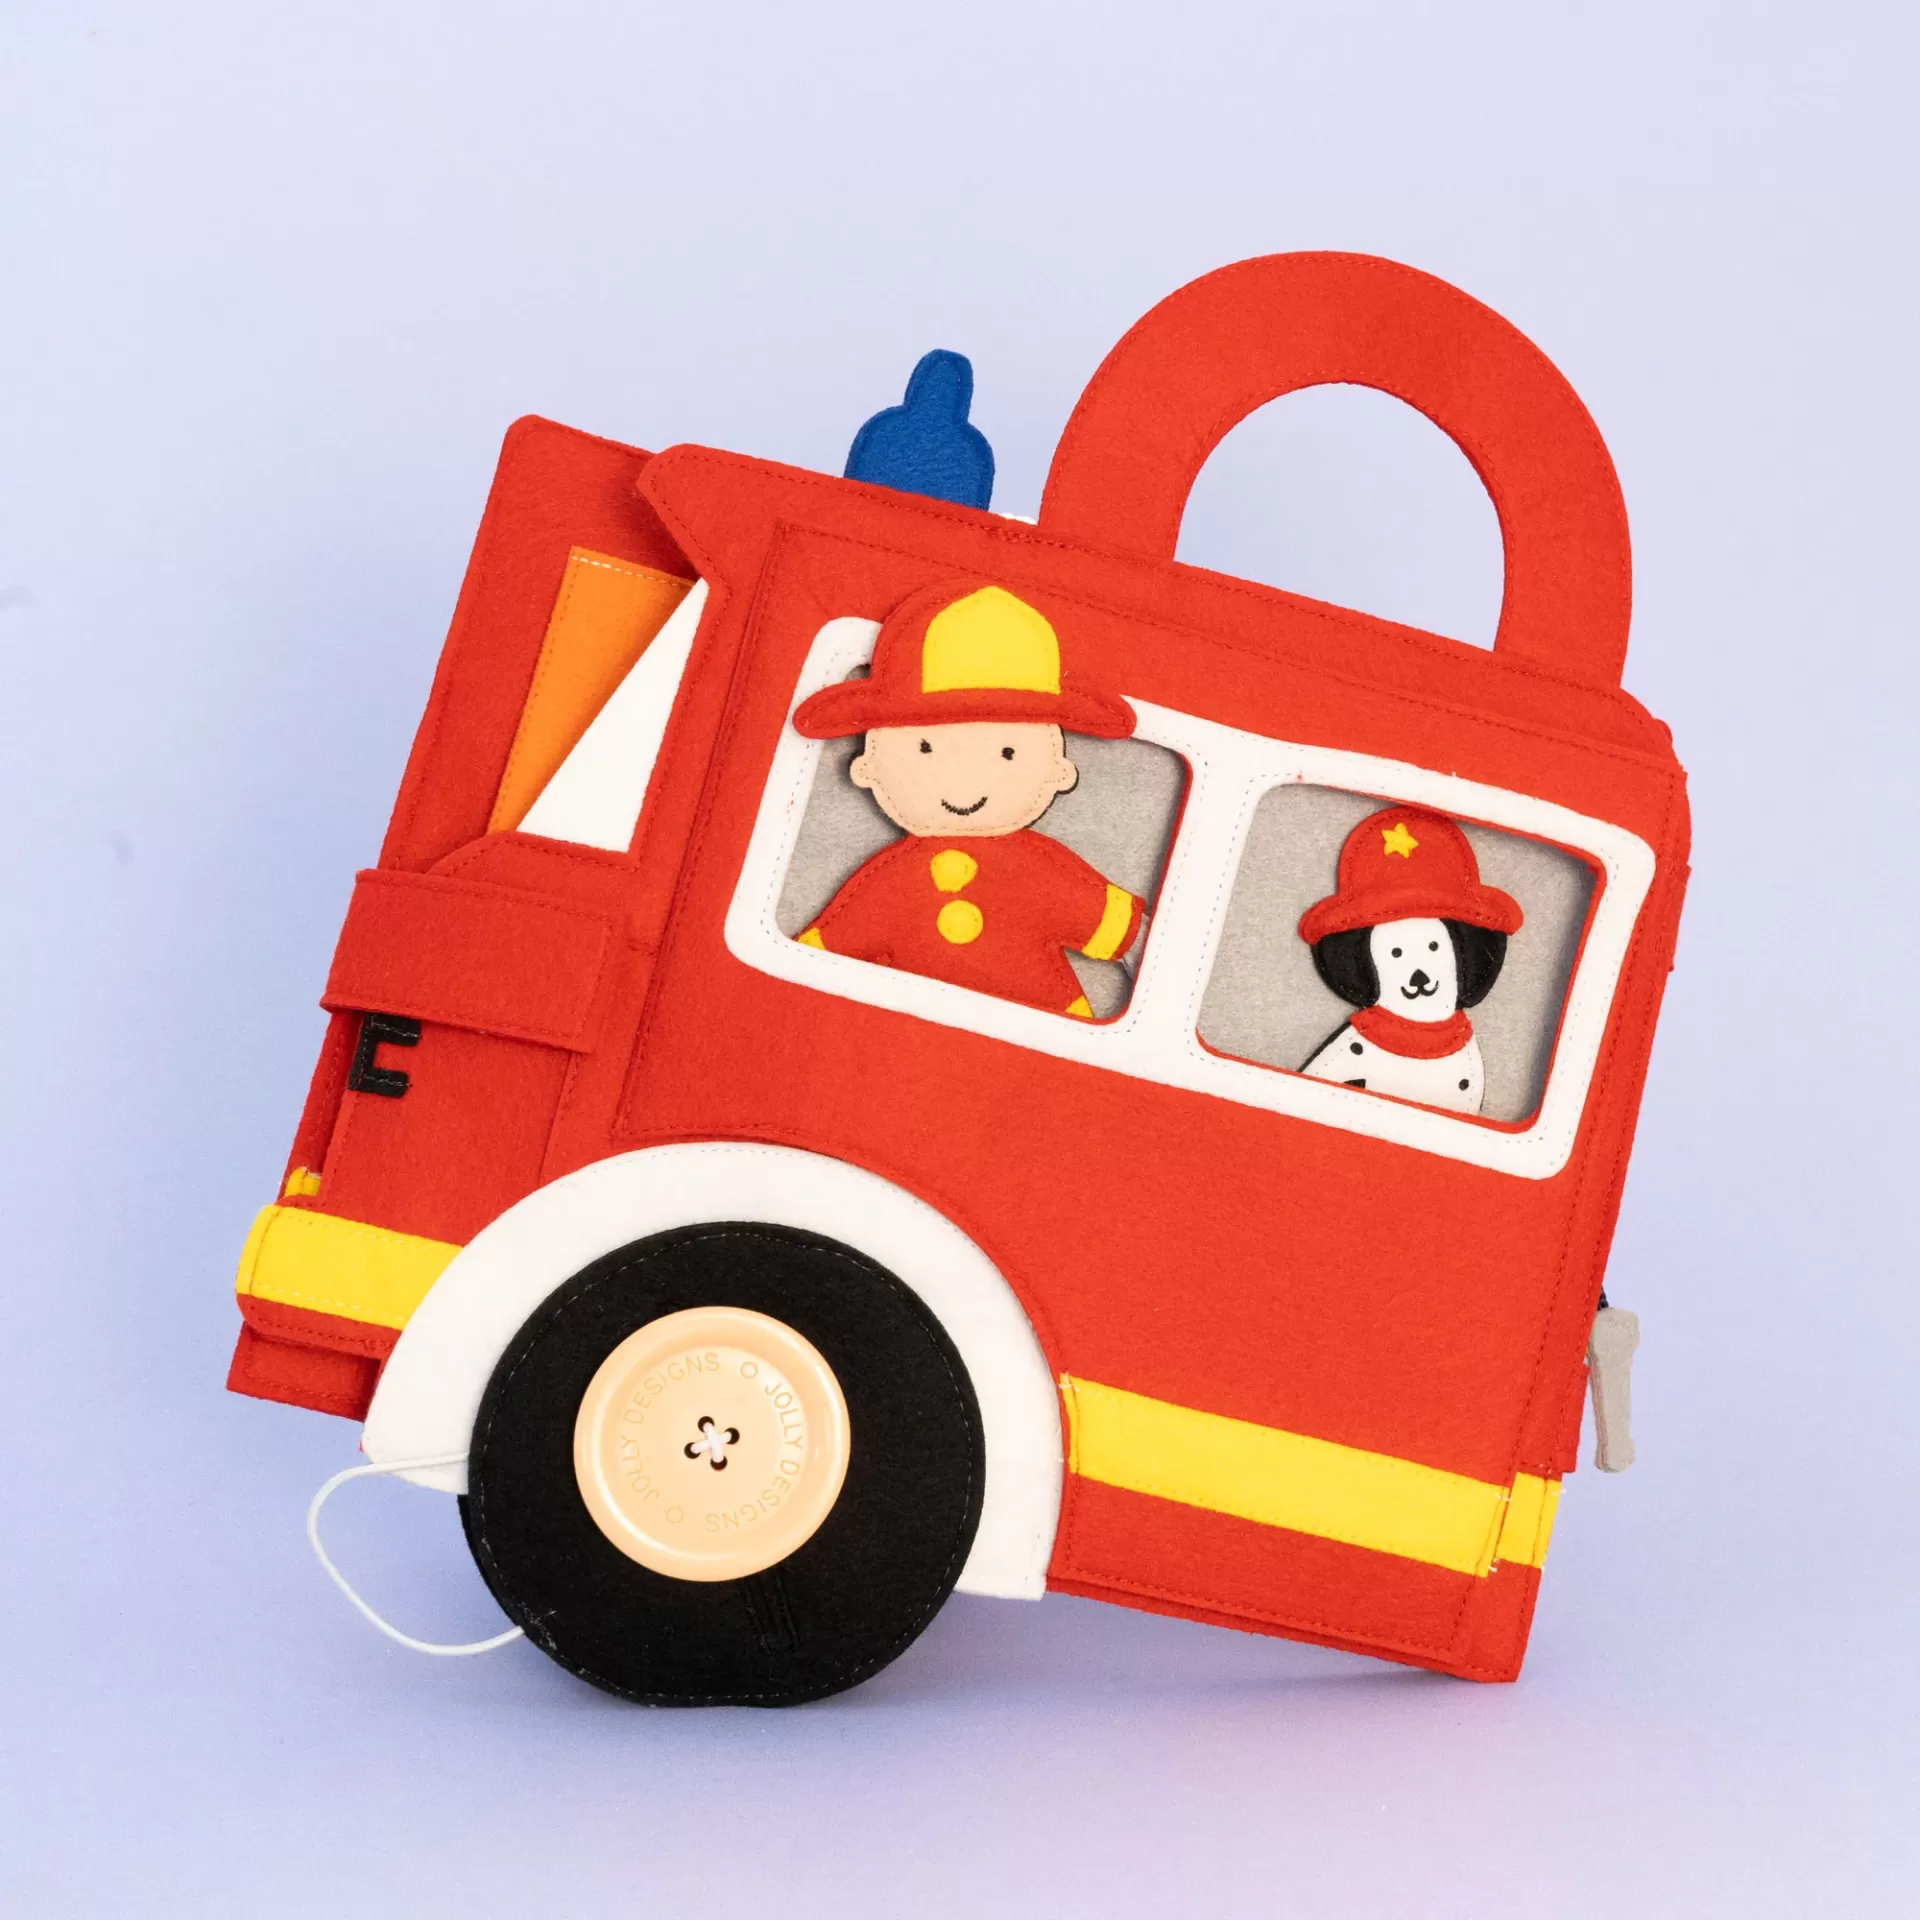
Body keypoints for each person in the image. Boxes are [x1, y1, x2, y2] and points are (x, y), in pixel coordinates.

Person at [790, 581, 1143, 1018]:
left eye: (1007, 752)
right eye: (925, 748)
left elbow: (1119, 931)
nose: (963, 780)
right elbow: (827, 952)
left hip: (1039, 1032)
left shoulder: (1036, 871)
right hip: (902, 1036)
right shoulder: (894, 881)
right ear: (868, 766)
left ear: (1059, 771)